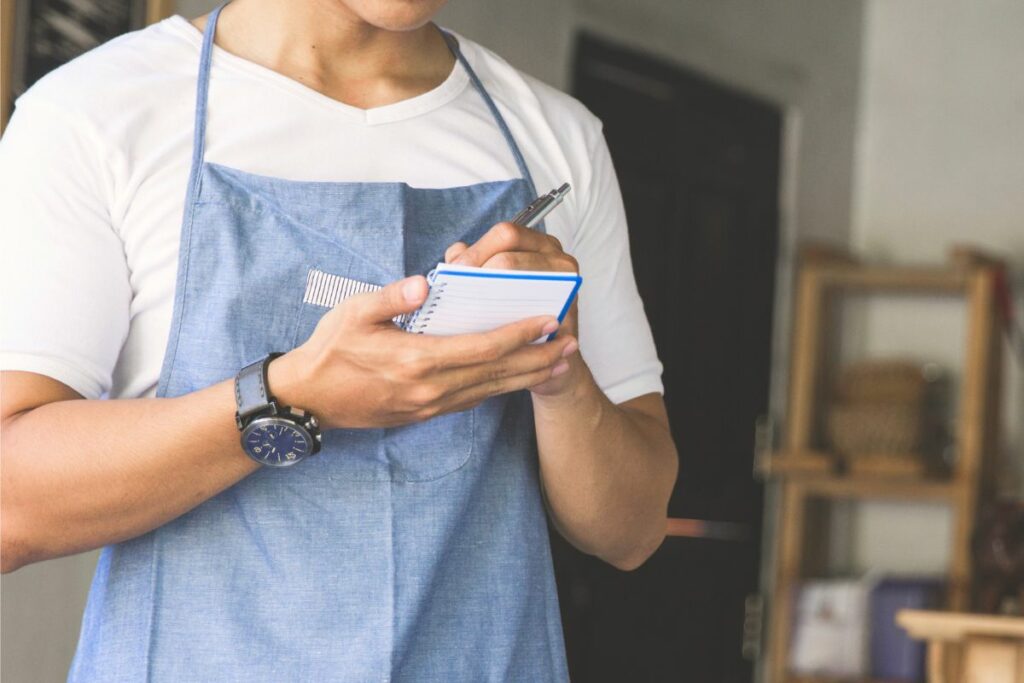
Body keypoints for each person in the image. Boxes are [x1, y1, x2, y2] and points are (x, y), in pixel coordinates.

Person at [0, 0, 678, 679]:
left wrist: (560, 375)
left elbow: (633, 528)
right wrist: (288, 397)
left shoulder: (554, 138)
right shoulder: (96, 114)